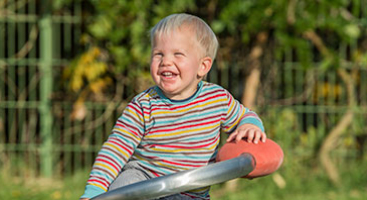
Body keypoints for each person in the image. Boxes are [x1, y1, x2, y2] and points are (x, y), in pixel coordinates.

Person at [80, 13, 266, 200]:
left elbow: (244, 117)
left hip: (191, 192)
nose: (166, 61)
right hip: (143, 183)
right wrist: (95, 190)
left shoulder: (217, 100)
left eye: (178, 54)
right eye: (158, 54)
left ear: (203, 66)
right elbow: (116, 148)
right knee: (124, 188)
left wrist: (249, 126)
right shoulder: (143, 105)